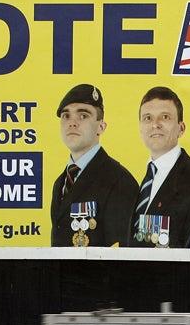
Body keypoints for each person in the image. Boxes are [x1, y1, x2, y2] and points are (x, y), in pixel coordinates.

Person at [50, 84, 138, 247]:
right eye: (66, 116)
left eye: (83, 116)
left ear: (101, 127)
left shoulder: (119, 182)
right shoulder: (60, 183)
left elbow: (123, 256)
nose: (72, 123)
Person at [128, 87, 190, 249]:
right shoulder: (143, 181)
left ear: (181, 128)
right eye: (147, 118)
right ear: (140, 128)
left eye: (165, 117)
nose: (155, 125)